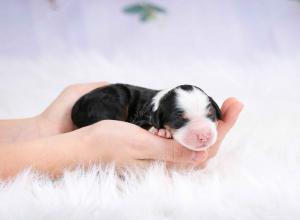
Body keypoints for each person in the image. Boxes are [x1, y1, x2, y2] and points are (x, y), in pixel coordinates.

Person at [0, 82, 243, 180]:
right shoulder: (153, 113)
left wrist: (42, 128)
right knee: (111, 107)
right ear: (158, 119)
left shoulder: (165, 107)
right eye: (181, 121)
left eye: (210, 116)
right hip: (101, 104)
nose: (203, 132)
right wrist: (82, 148)